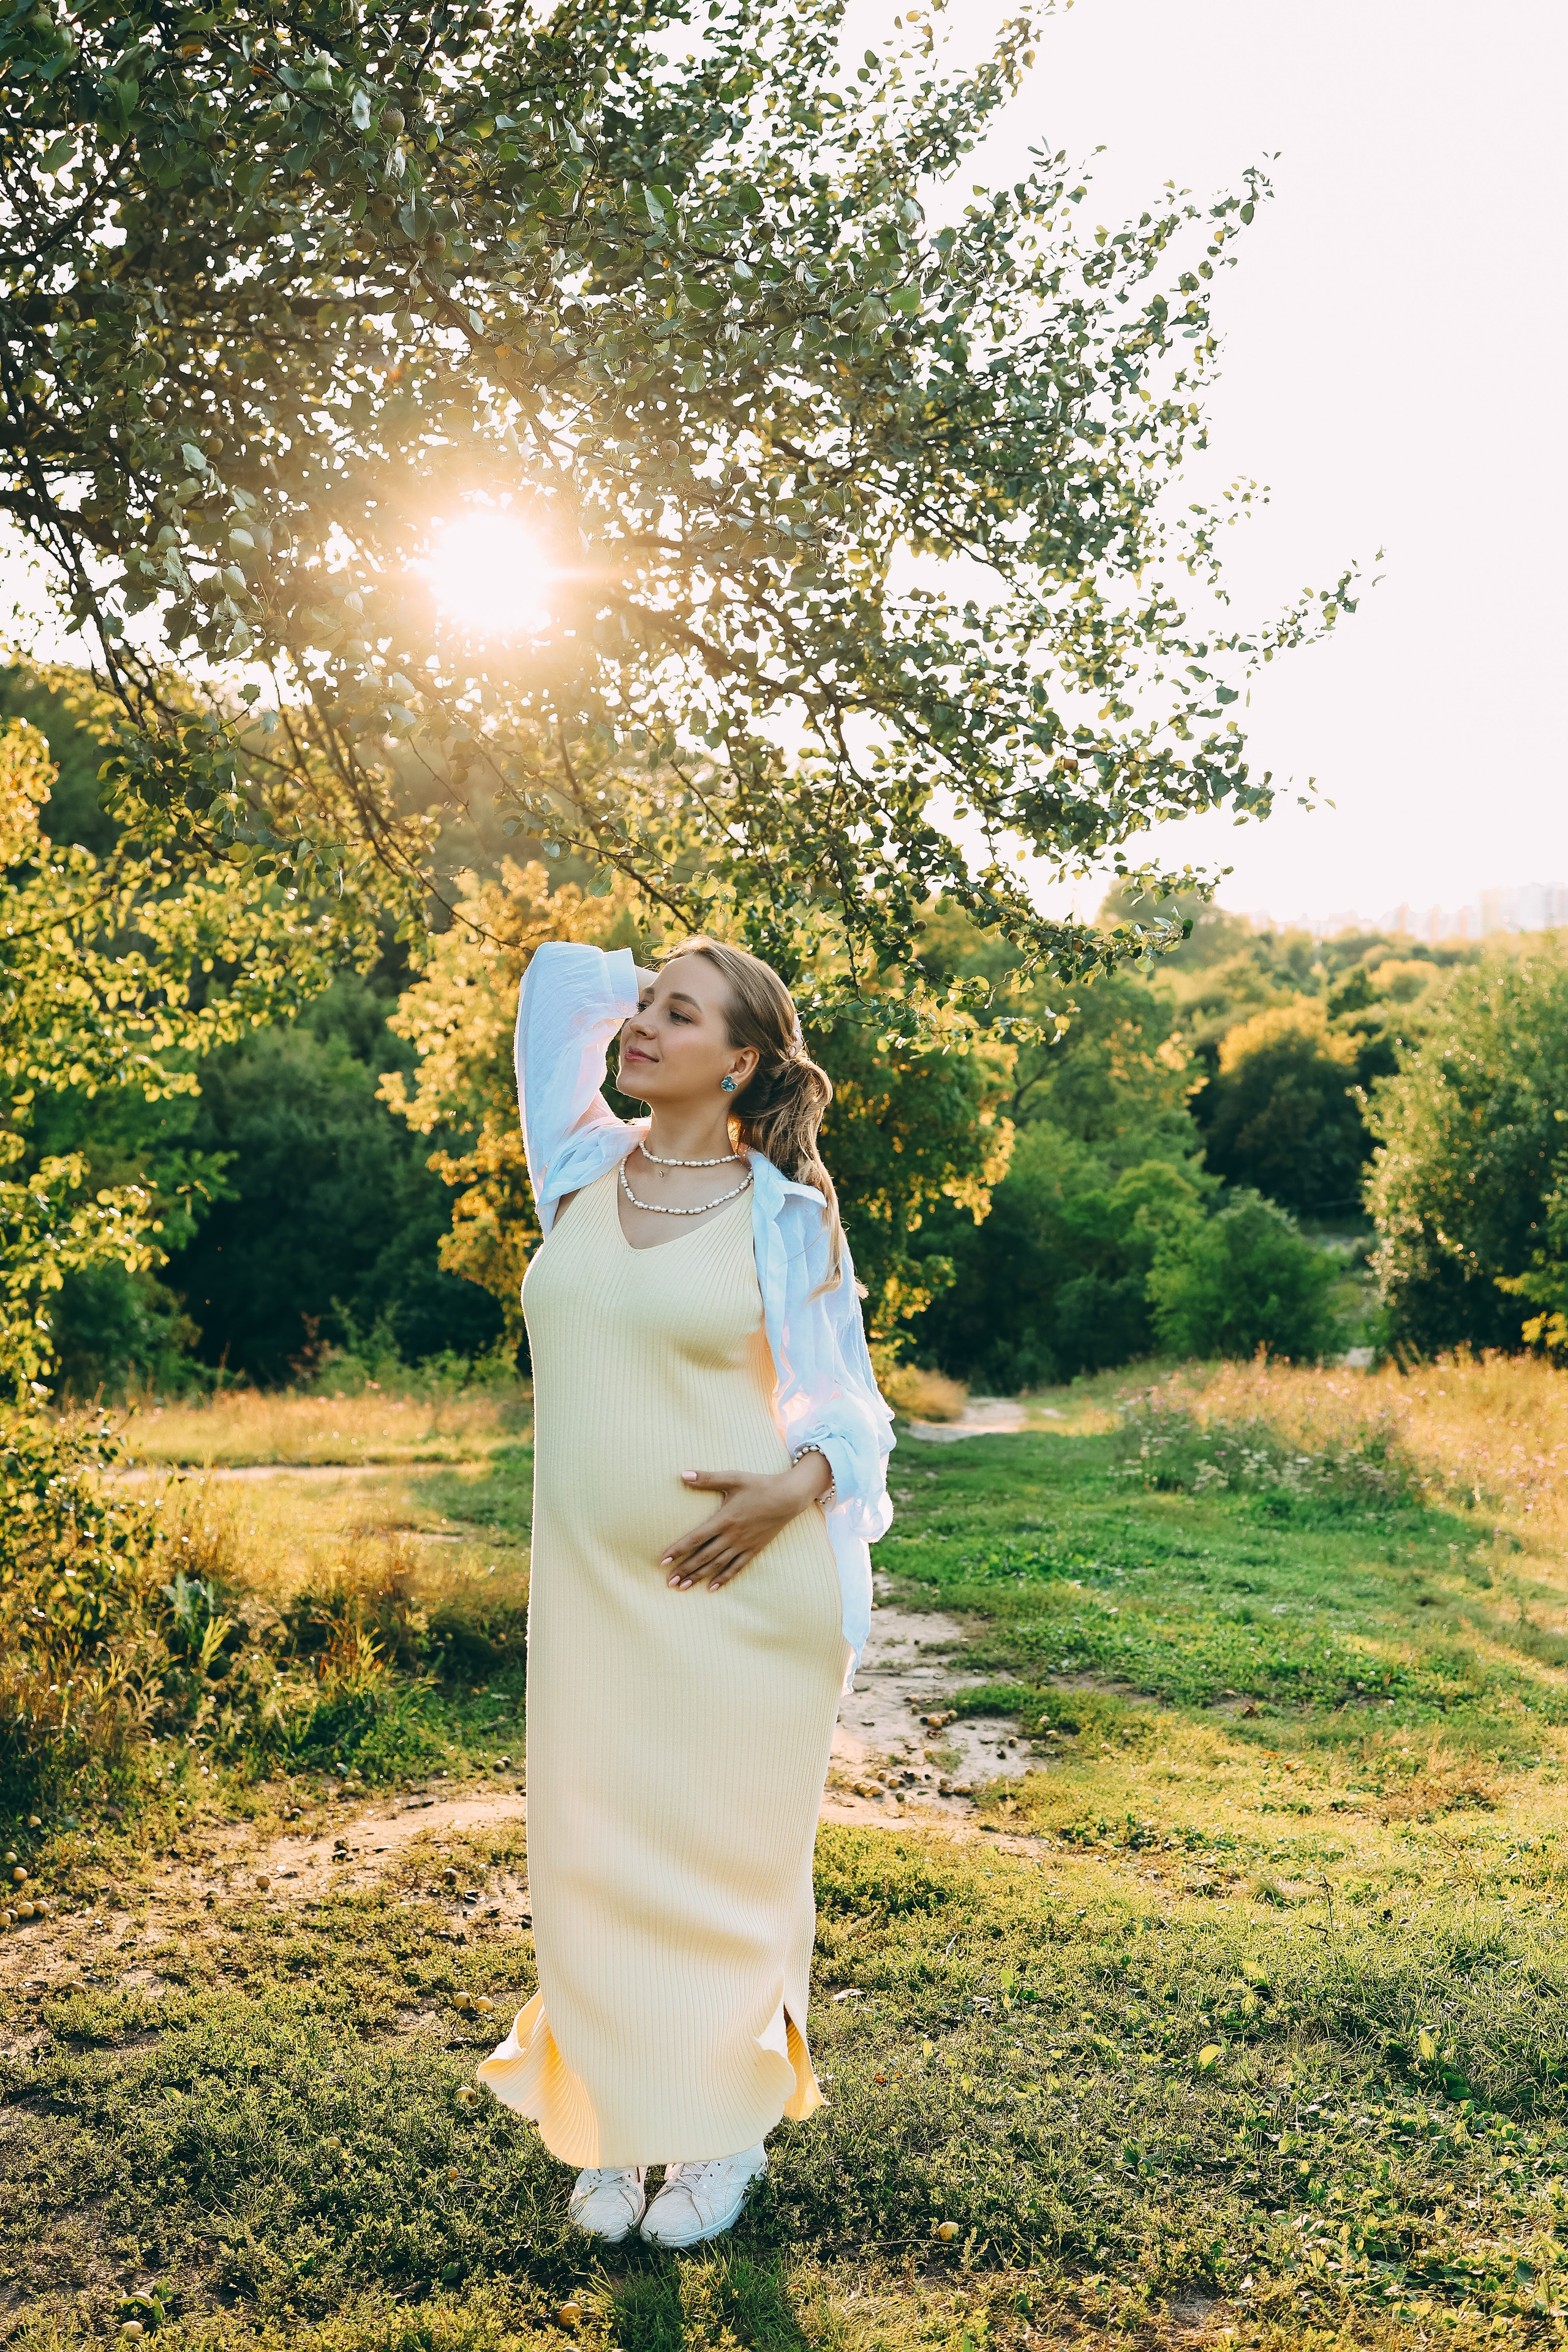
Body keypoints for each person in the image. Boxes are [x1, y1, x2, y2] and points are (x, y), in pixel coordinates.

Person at [477, 935, 894, 2249]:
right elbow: (552, 985)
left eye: (681, 1014)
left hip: (742, 1594)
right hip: (593, 1599)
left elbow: (848, 1403)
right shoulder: (582, 1170)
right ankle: (610, 2128)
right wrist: (653, 964)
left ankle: (719, 2135)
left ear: (746, 1060)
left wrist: (794, 1484)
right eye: (645, 1006)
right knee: (593, 1853)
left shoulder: (785, 1213)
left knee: (725, 1862)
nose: (644, 1027)